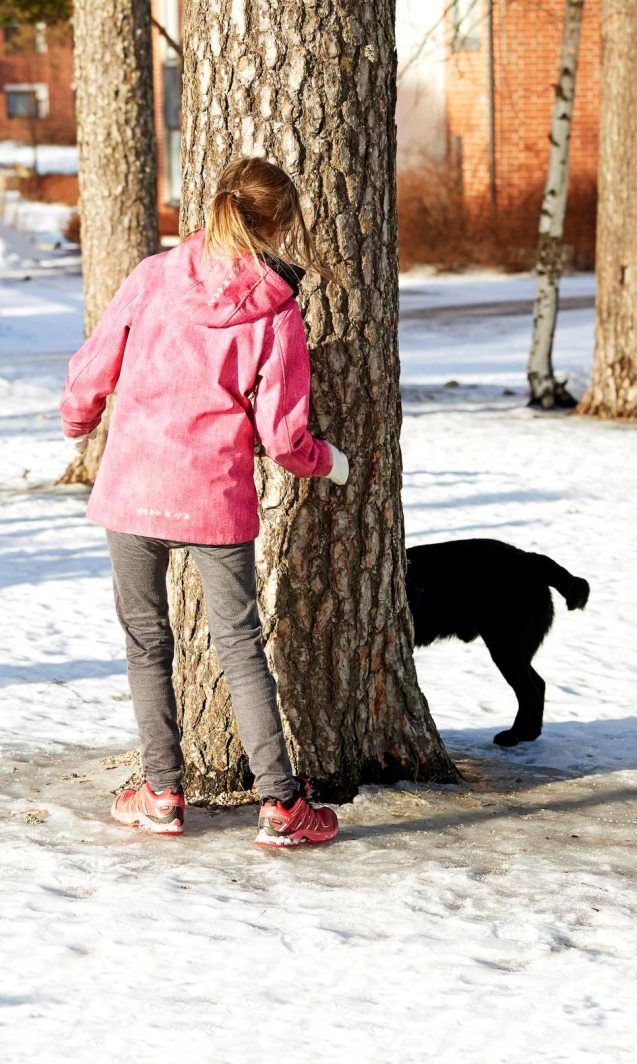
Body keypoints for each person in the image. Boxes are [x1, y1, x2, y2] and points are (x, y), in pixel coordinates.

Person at [58, 155, 349, 847]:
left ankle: (161, 794)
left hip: (131, 489)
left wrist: (77, 421)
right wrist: (328, 462)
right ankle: (281, 805)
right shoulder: (275, 308)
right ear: (280, 223)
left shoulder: (153, 276)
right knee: (241, 648)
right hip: (213, 498)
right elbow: (284, 438)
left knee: (146, 645)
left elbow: (94, 367)